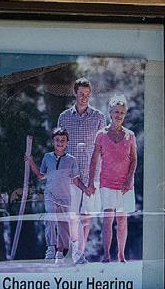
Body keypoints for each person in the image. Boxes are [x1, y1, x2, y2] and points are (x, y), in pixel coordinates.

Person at [56, 78, 104, 262]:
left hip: (92, 174)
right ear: (75, 93)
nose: (84, 97)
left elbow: (102, 149)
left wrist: (95, 178)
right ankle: (74, 251)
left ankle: (80, 254)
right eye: (81, 94)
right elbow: (60, 146)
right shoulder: (64, 117)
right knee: (72, 216)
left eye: (87, 94)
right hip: (71, 175)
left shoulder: (98, 117)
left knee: (87, 216)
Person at [87, 96, 138, 263]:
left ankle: (121, 255)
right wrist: (91, 182)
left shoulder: (130, 135)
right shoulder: (101, 135)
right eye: (116, 112)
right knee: (108, 218)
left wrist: (129, 179)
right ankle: (107, 255)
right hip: (107, 182)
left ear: (125, 114)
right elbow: (94, 160)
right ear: (110, 112)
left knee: (122, 219)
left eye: (122, 112)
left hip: (125, 184)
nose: (119, 115)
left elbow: (134, 160)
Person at [25, 128, 79, 265]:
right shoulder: (47, 157)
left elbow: (76, 180)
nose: (60, 143)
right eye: (57, 140)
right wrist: (31, 162)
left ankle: (60, 251)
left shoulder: (71, 160)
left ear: (67, 143)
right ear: (53, 142)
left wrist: (86, 189)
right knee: (50, 217)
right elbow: (40, 175)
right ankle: (51, 247)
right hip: (50, 194)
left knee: (63, 223)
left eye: (63, 140)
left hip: (65, 196)